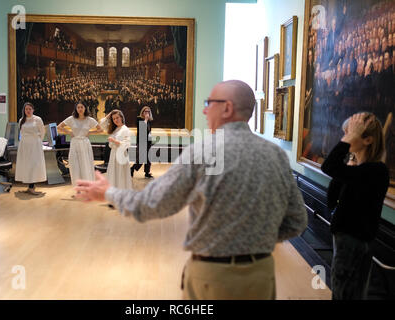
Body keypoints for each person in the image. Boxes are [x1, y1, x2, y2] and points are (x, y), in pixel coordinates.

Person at [75, 80, 307, 300]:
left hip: (214, 276)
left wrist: (108, 193)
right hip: (262, 275)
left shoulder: (203, 152)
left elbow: (153, 204)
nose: (205, 111)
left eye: (209, 104)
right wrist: (255, 241)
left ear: (226, 108)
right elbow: (296, 221)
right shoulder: (275, 154)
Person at [321, 112, 389, 300]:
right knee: (344, 291)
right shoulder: (359, 170)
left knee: (345, 293)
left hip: (354, 243)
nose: (345, 139)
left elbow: (328, 167)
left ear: (368, 140)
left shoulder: (376, 171)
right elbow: (332, 195)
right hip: (347, 241)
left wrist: (348, 141)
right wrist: (351, 159)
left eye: (349, 134)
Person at [57, 101, 102, 186]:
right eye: (78, 107)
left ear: (85, 108)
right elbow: (59, 127)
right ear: (76, 109)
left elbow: (100, 129)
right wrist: (69, 132)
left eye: (82, 107)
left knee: (86, 165)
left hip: (85, 143)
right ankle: (78, 188)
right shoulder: (71, 118)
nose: (80, 109)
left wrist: (90, 132)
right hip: (75, 143)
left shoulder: (89, 120)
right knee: (75, 166)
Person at [15, 102, 47, 195]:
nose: (28, 111)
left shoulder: (37, 119)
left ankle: (32, 187)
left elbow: (42, 132)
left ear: (33, 110)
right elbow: (21, 133)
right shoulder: (21, 120)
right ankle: (29, 186)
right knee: (26, 165)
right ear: (24, 110)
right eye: (26, 109)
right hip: (24, 145)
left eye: (30, 109)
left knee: (34, 165)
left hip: (34, 145)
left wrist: (37, 142)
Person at [99, 110, 132, 196]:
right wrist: (111, 113)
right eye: (113, 119)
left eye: (117, 117)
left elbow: (127, 144)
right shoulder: (114, 129)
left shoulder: (125, 129)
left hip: (121, 155)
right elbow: (102, 123)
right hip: (113, 154)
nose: (116, 120)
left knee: (121, 176)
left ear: (121, 117)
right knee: (113, 175)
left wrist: (114, 141)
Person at [131, 106, 154, 178]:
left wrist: (151, 141)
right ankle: (132, 169)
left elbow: (149, 132)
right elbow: (142, 129)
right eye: (145, 111)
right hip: (141, 142)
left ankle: (147, 172)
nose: (147, 113)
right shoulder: (139, 119)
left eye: (148, 112)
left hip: (148, 142)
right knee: (141, 159)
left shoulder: (149, 121)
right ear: (142, 112)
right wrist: (146, 120)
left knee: (148, 159)